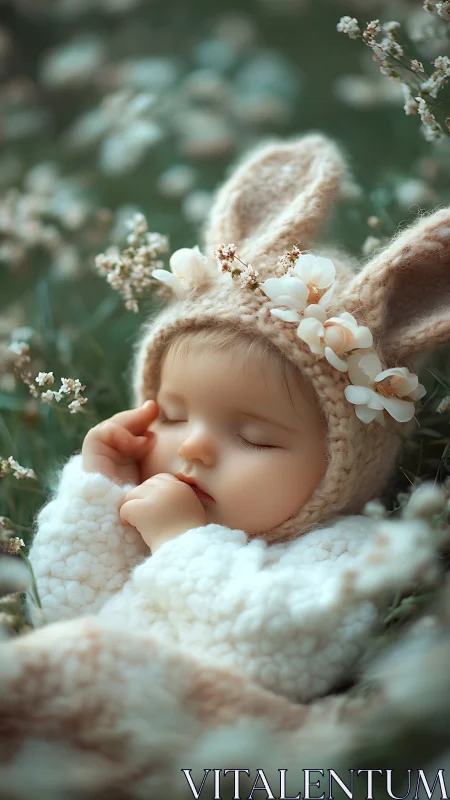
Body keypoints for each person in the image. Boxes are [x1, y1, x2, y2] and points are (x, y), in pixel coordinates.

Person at [27, 133, 450, 704]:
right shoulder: (144, 514)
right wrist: (99, 489)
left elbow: (275, 659)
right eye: (172, 415)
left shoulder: (344, 552)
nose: (194, 447)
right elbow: (58, 609)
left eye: (253, 438)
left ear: (339, 469)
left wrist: (180, 541)